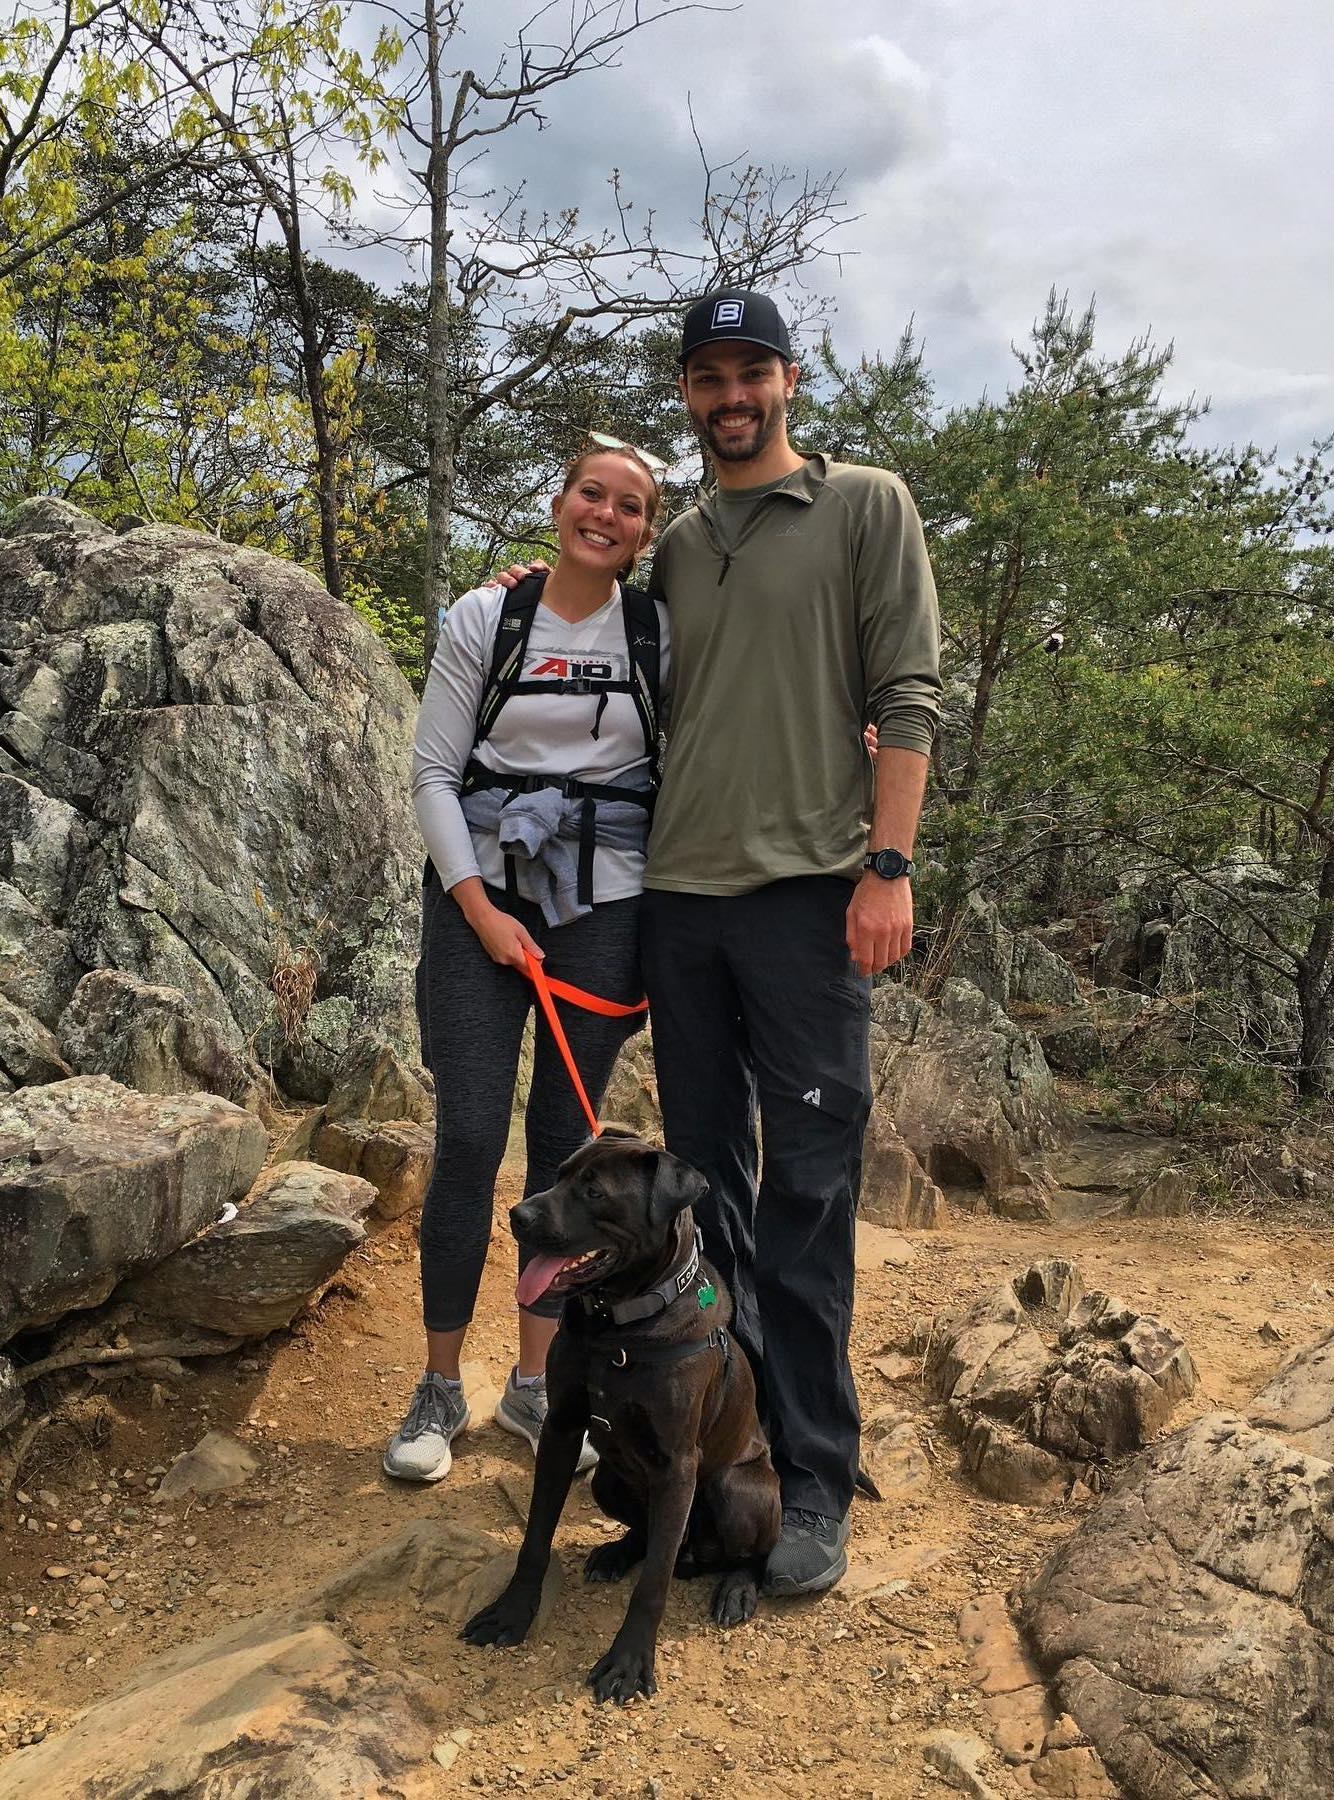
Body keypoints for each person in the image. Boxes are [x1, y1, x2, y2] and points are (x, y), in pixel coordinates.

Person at [493, 290, 942, 1594]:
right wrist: (540, 589)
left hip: (812, 901)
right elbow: (603, 629)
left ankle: (810, 1477)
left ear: (790, 381)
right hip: (682, 910)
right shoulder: (679, 546)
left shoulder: (866, 507)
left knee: (806, 1198)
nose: (730, 393)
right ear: (688, 394)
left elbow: (905, 690)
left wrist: (889, 864)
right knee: (706, 1205)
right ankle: (705, 1460)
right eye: (707, 375)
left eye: (752, 370)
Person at [384, 441, 671, 1484]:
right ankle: (441, 1384)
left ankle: (537, 1384)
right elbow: (430, 772)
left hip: (607, 899)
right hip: (479, 888)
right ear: (559, 504)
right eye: (592, 492)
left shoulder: (656, 634)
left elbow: (722, 735)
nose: (606, 513)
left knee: (568, 1147)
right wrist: (477, 908)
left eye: (630, 506)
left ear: (645, 535)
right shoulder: (485, 618)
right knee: (467, 1135)